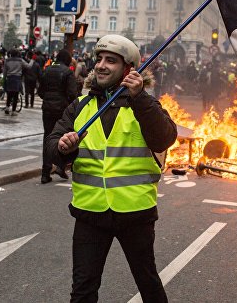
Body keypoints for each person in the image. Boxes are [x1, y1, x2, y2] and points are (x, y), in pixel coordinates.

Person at [45, 35, 177, 302]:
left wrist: (139, 99)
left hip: (135, 213)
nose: (101, 66)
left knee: (148, 284)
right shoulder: (81, 106)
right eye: (99, 59)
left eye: (111, 61)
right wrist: (62, 147)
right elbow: (50, 146)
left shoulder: (143, 105)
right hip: (90, 213)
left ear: (128, 70)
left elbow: (165, 137)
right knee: (82, 291)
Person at [37, 49, 78, 183]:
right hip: (62, 109)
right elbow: (73, 93)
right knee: (63, 138)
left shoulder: (47, 70)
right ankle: (61, 166)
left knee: (48, 137)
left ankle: (45, 171)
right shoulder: (67, 72)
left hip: (47, 108)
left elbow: (40, 91)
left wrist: (48, 98)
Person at [2, 49, 32, 115]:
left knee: (9, 95)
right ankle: (13, 111)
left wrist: (4, 79)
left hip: (9, 78)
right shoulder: (20, 60)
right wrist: (32, 61)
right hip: (17, 78)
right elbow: (28, 66)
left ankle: (7, 108)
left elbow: (4, 71)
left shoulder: (7, 60)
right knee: (15, 95)